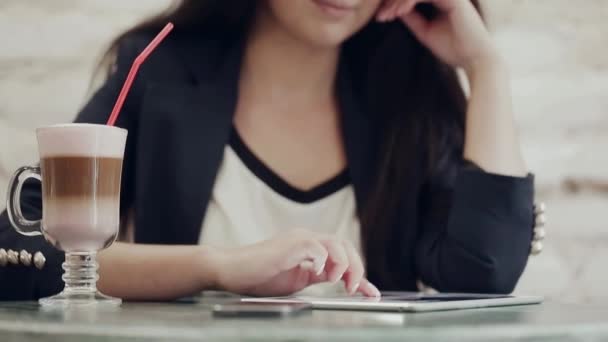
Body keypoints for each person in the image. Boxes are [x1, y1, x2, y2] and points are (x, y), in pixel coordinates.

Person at [0, 0, 535, 301]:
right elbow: (23, 252)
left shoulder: (406, 97)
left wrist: (485, 67)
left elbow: (480, 272)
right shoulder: (159, 72)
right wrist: (218, 267)